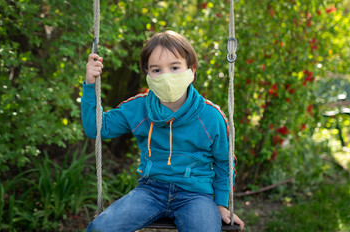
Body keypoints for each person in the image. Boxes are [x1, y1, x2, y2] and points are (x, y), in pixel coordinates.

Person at [82, 30, 244, 232]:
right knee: (99, 229)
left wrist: (221, 203)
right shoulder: (139, 108)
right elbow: (97, 129)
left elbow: (224, 163)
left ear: (191, 69)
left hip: (196, 195)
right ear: (148, 75)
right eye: (156, 70)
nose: (166, 76)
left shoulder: (211, 117)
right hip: (150, 190)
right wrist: (90, 84)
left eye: (175, 67)